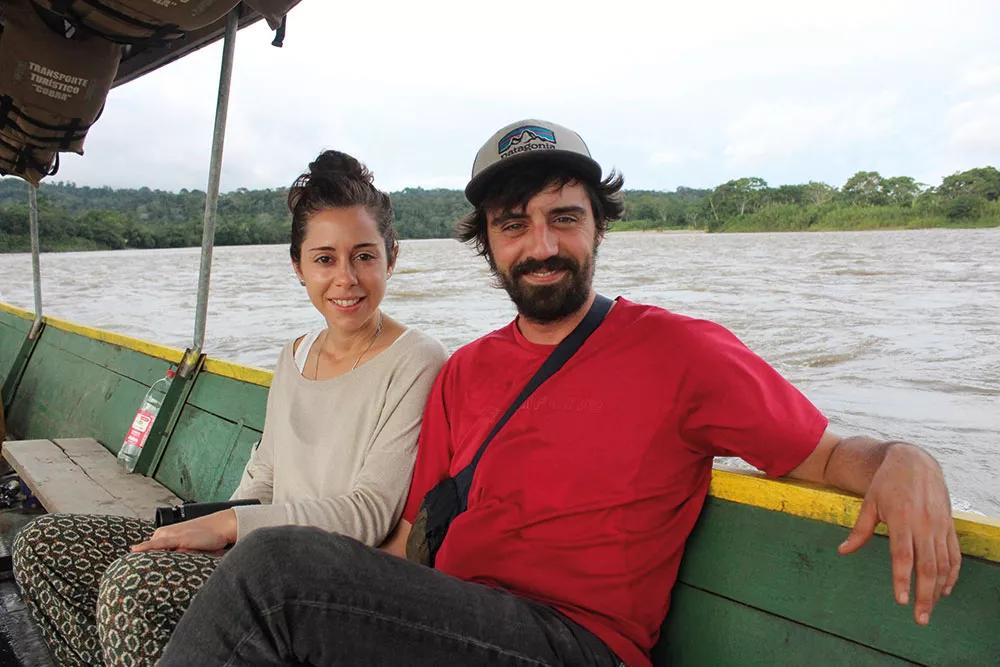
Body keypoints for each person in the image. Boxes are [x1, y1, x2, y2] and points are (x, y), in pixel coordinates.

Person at [158, 120, 960, 667]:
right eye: (514, 224)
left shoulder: (679, 351)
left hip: (577, 642)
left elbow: (819, 452)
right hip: (452, 620)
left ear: (598, 227)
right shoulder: (465, 372)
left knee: (275, 569)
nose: (541, 245)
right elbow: (410, 544)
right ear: (489, 246)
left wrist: (903, 454)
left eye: (563, 218)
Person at [12, 150, 447, 667]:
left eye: (365, 256)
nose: (346, 279)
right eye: (325, 258)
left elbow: (369, 513)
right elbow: (265, 473)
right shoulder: (295, 354)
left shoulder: (417, 359)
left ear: (391, 258)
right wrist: (218, 531)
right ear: (298, 267)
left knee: (135, 586)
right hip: (255, 551)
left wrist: (233, 527)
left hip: (321, 576)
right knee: (44, 545)